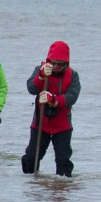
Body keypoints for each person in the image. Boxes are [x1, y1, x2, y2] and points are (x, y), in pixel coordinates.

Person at [21, 41, 80, 176]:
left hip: (62, 126)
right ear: (49, 60)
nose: (57, 67)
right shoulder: (39, 70)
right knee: (30, 158)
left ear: (66, 63)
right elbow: (31, 88)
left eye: (60, 64)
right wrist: (41, 76)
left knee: (63, 160)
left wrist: (53, 99)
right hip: (40, 124)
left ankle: (63, 189)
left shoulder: (73, 76)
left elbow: (72, 97)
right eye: (54, 63)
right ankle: (31, 185)